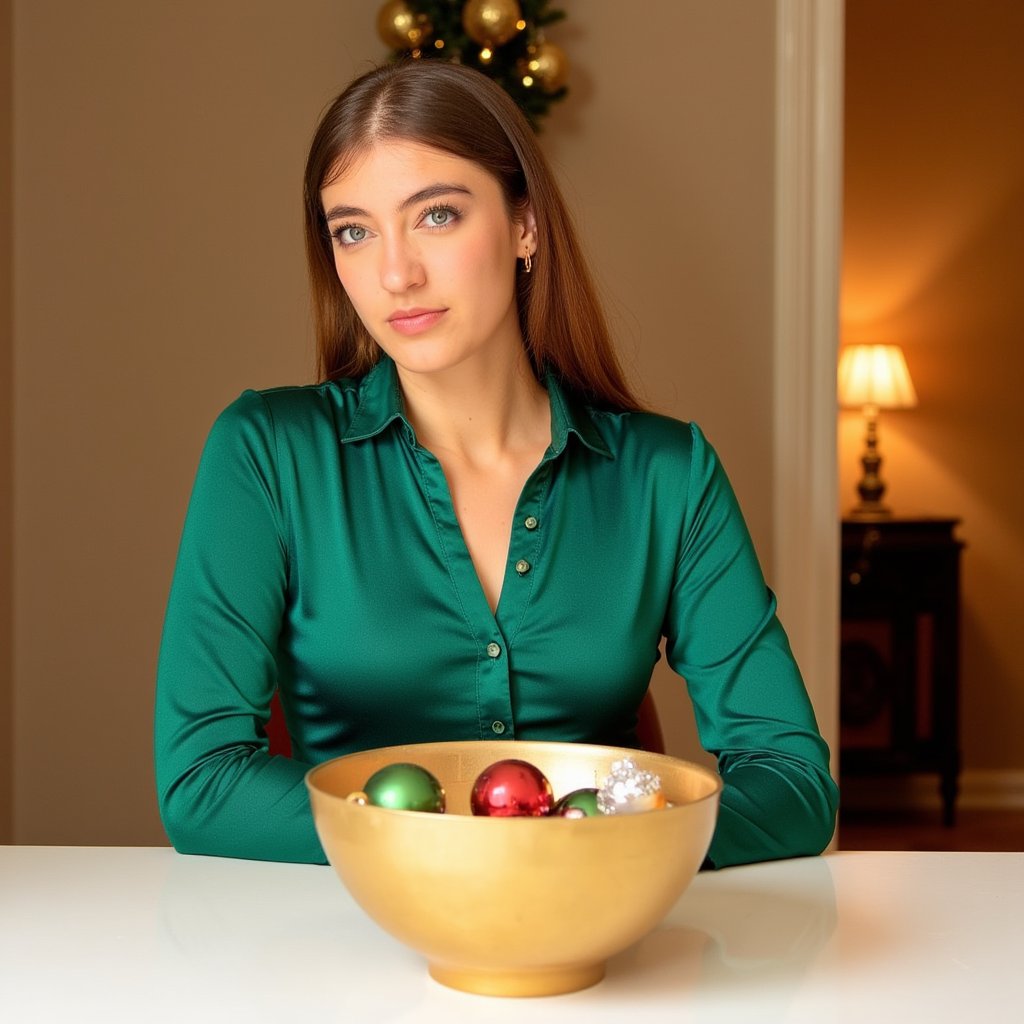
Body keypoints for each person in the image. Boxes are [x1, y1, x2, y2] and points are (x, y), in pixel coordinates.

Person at [154, 59, 838, 867]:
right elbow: (201, 784)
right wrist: (472, 853)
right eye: (353, 230)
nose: (395, 273)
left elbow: (794, 785)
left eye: (436, 216)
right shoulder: (267, 453)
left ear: (525, 225)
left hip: (607, 949)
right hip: (344, 960)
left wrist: (601, 852)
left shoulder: (667, 474)